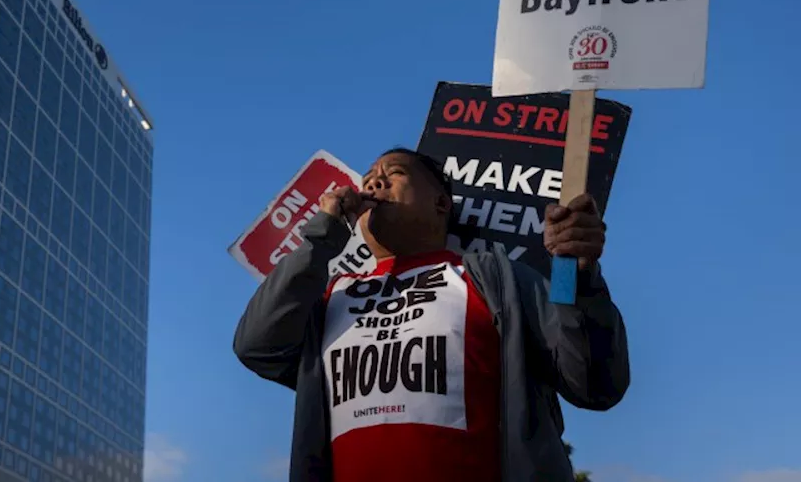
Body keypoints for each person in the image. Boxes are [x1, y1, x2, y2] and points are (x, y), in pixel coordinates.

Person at [233, 147, 629, 482]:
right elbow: (257, 346)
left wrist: (576, 275)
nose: (372, 183)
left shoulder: (496, 277)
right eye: (368, 178)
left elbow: (593, 383)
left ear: (441, 203)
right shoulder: (330, 296)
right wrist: (324, 235)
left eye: (395, 173)